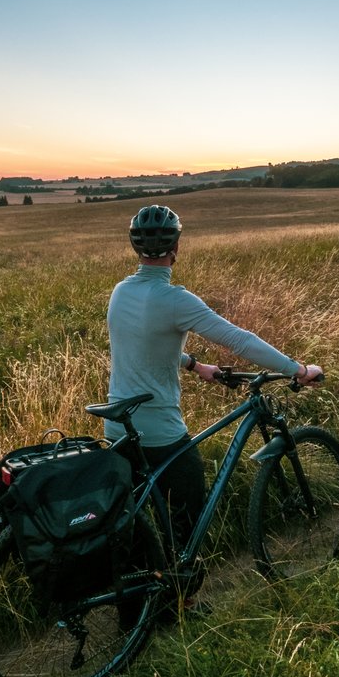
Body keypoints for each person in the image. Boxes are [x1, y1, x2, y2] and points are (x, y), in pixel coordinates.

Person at [107, 204, 322, 550]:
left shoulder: (121, 292)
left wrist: (195, 365)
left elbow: (146, 344)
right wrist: (298, 370)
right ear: (176, 249)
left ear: (136, 248)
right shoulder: (175, 300)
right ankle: (184, 594)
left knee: (137, 523)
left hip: (118, 428)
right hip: (158, 431)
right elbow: (239, 339)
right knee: (189, 514)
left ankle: (145, 591)